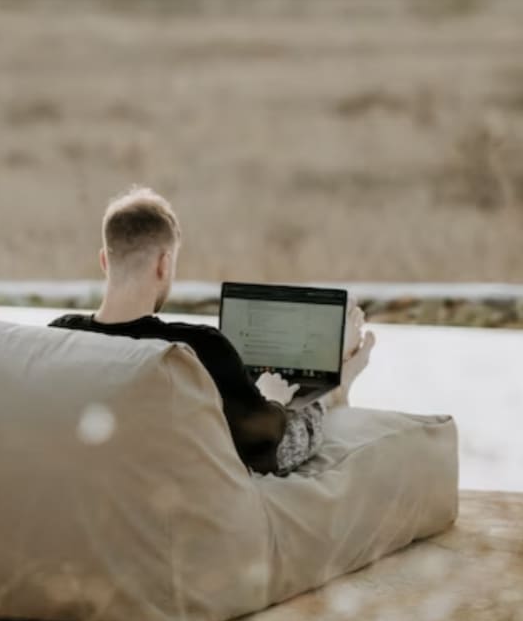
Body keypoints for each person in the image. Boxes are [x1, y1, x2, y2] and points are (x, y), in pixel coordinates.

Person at [50, 187, 376, 476]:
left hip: (93, 487)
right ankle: (338, 390)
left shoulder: (58, 337)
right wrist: (294, 399)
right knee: (309, 410)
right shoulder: (196, 349)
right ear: (164, 264)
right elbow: (274, 452)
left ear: (105, 261)